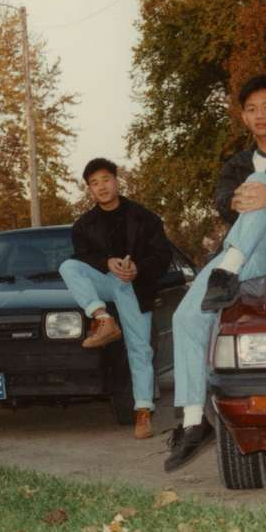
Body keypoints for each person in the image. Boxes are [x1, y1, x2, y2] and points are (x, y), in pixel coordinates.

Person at [164, 74, 266, 472]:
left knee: (259, 181)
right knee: (185, 317)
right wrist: (235, 201)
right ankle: (191, 421)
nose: (260, 115)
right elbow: (222, 201)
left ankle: (227, 273)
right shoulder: (234, 163)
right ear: (243, 116)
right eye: (251, 109)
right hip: (240, 251)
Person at [59, 158, 172, 440]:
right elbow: (82, 258)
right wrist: (106, 262)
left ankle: (143, 413)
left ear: (117, 181)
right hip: (106, 283)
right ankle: (103, 318)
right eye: (94, 183)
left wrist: (138, 269)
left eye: (106, 179)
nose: (102, 187)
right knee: (68, 267)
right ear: (89, 189)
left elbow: (163, 256)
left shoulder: (145, 217)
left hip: (136, 286)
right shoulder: (83, 226)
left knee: (140, 350)